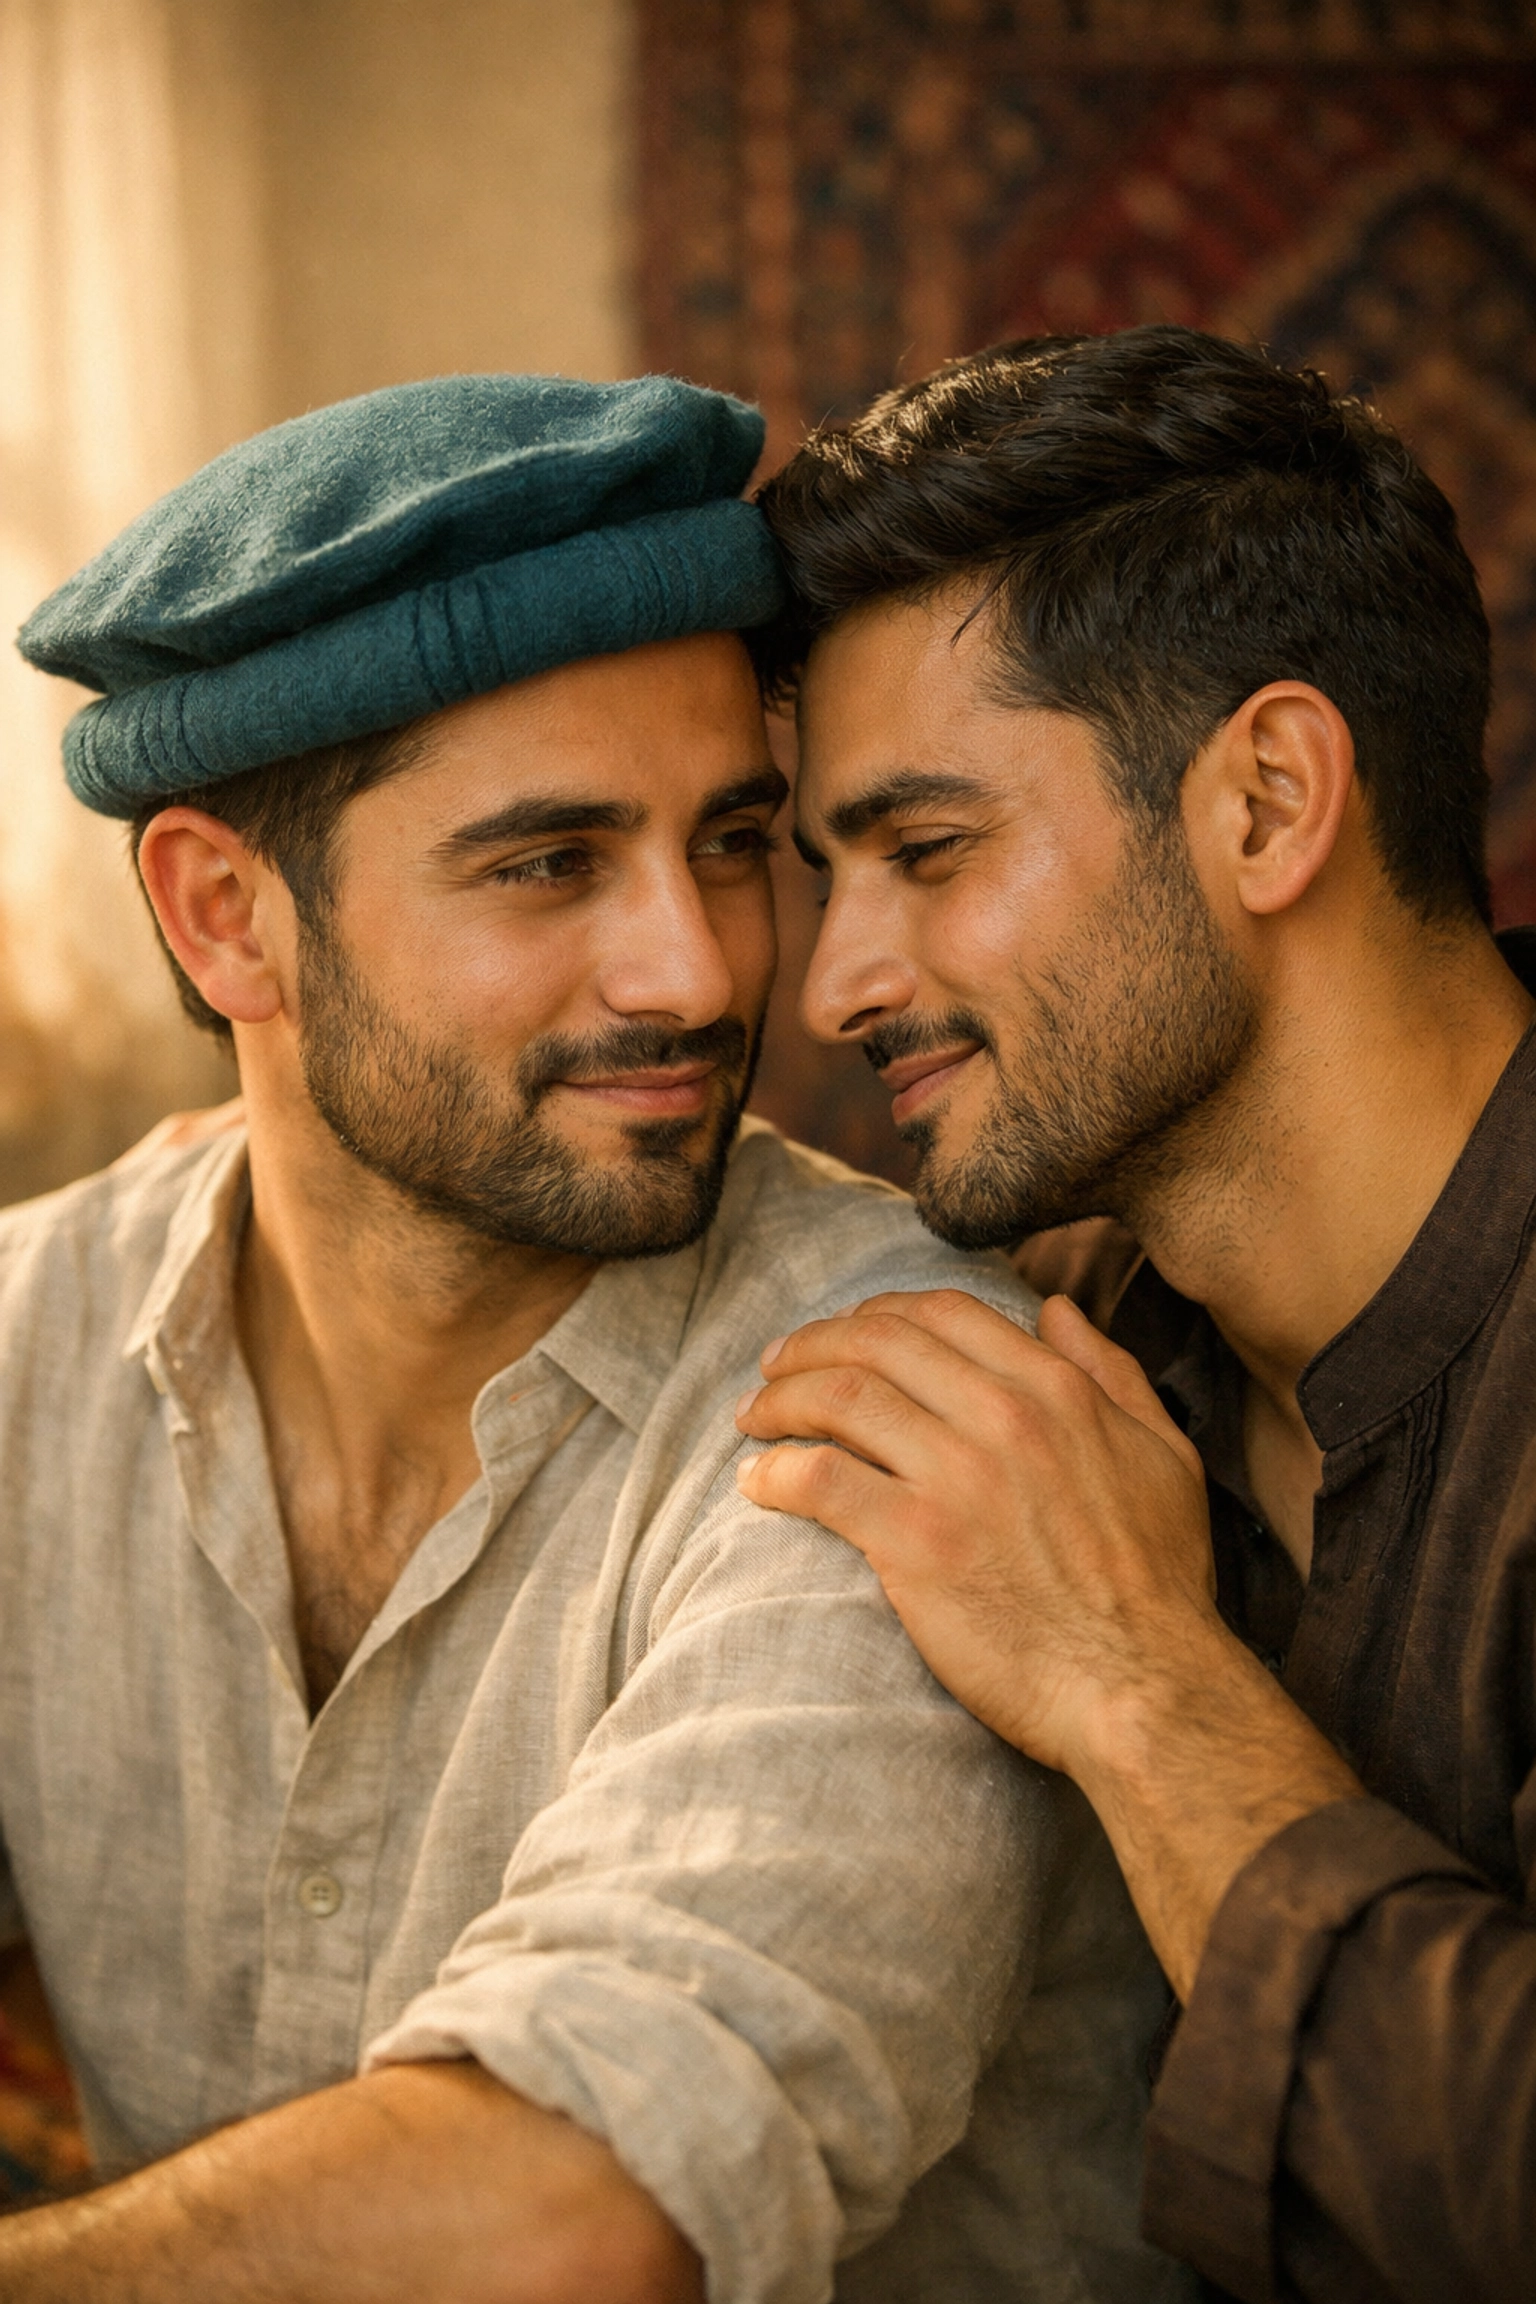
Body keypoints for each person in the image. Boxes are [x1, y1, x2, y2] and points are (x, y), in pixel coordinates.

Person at [0, 373, 1190, 2303]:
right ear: (229, 920)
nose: (703, 969)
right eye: (551, 864)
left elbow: (585, 2204)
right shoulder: (25, 1345)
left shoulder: (904, 1400)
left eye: (731, 844)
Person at [737, 326, 1536, 2302]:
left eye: (929, 852)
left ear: (1268, 799)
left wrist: (1130, 1671)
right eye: (822, 875)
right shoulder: (1060, 1342)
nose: (832, 987)